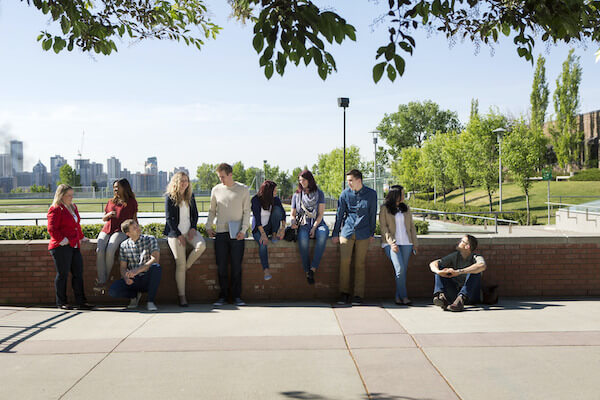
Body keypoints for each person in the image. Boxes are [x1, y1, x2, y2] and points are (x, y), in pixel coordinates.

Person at [206, 163, 251, 306]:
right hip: (220, 233)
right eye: (219, 177)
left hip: (237, 234)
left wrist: (243, 230)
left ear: (230, 174)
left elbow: (246, 212)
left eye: (223, 177)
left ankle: (237, 297)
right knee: (221, 266)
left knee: (237, 266)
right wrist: (208, 226)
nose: (221, 180)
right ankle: (223, 297)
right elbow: (212, 210)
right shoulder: (216, 190)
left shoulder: (243, 190)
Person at [332, 169, 377, 306]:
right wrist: (335, 233)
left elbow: (372, 214)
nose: (349, 183)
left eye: (351, 180)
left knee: (359, 264)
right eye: (348, 181)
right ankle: (344, 294)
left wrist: (372, 232)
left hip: (363, 233)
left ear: (359, 180)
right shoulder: (345, 194)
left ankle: (358, 295)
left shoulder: (371, 194)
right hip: (347, 231)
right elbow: (339, 214)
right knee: (345, 262)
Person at [47, 184, 94, 310]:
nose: (71, 197)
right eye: (68, 195)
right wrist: (62, 240)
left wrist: (82, 237)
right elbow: (51, 229)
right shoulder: (56, 208)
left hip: (74, 245)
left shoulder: (73, 207)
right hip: (60, 246)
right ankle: (61, 302)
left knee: (78, 274)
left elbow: (76, 225)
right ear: (61, 195)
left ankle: (81, 302)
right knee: (62, 274)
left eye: (72, 195)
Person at [164, 172, 206, 307]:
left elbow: (195, 215)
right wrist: (178, 235)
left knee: (201, 246)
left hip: (189, 231)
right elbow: (169, 218)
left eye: (186, 180)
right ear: (176, 182)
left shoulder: (190, 196)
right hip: (175, 234)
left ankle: (187, 266)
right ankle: (182, 297)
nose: (184, 183)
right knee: (179, 265)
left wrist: (193, 227)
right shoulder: (170, 197)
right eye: (182, 180)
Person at [94, 178, 138, 294]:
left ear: (125, 188)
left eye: (118, 187)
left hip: (120, 231)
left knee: (110, 249)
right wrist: (108, 214)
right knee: (99, 250)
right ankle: (102, 279)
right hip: (107, 229)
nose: (115, 189)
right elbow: (104, 218)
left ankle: (105, 280)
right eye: (114, 187)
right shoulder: (111, 201)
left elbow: (134, 219)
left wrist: (136, 233)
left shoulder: (131, 202)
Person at [108, 219, 162, 311]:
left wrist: (137, 270)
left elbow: (155, 259)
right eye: (134, 228)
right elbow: (123, 267)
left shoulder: (150, 239)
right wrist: (126, 278)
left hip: (147, 277)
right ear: (128, 233)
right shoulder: (124, 245)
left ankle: (150, 301)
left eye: (137, 226)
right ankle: (134, 296)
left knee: (156, 267)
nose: (138, 228)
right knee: (113, 291)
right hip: (133, 279)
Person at [379, 185, 418, 305]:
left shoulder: (406, 208)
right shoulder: (385, 208)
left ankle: (398, 297)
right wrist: (392, 243)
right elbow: (383, 227)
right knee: (400, 270)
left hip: (407, 243)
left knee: (402, 272)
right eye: (402, 194)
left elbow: (411, 226)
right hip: (391, 244)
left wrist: (415, 243)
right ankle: (404, 297)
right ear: (396, 195)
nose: (404, 196)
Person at [429, 234, 486, 312]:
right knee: (441, 269)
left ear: (467, 246)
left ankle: (461, 299)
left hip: (471, 295)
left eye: (462, 241)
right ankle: (441, 297)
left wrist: (459, 272)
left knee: (475, 271)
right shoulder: (455, 256)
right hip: (455, 294)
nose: (458, 242)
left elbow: (482, 266)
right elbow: (433, 263)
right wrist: (439, 272)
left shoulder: (476, 257)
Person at [290, 170, 329, 285]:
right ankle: (307, 270)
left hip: (318, 222)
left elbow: (321, 214)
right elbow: (293, 214)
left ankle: (313, 268)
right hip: (304, 223)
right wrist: (293, 222)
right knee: (302, 240)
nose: (302, 182)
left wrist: (314, 228)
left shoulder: (319, 193)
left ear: (309, 180)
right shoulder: (296, 195)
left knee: (322, 234)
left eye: (304, 180)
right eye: (300, 180)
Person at [251, 180, 286, 281]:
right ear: (268, 191)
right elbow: (257, 219)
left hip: (270, 227)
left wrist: (282, 229)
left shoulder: (275, 199)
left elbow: (282, 214)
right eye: (274, 190)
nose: (276, 192)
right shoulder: (255, 200)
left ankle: (274, 234)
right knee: (263, 243)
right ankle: (266, 269)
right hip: (258, 229)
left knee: (277, 210)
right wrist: (263, 234)